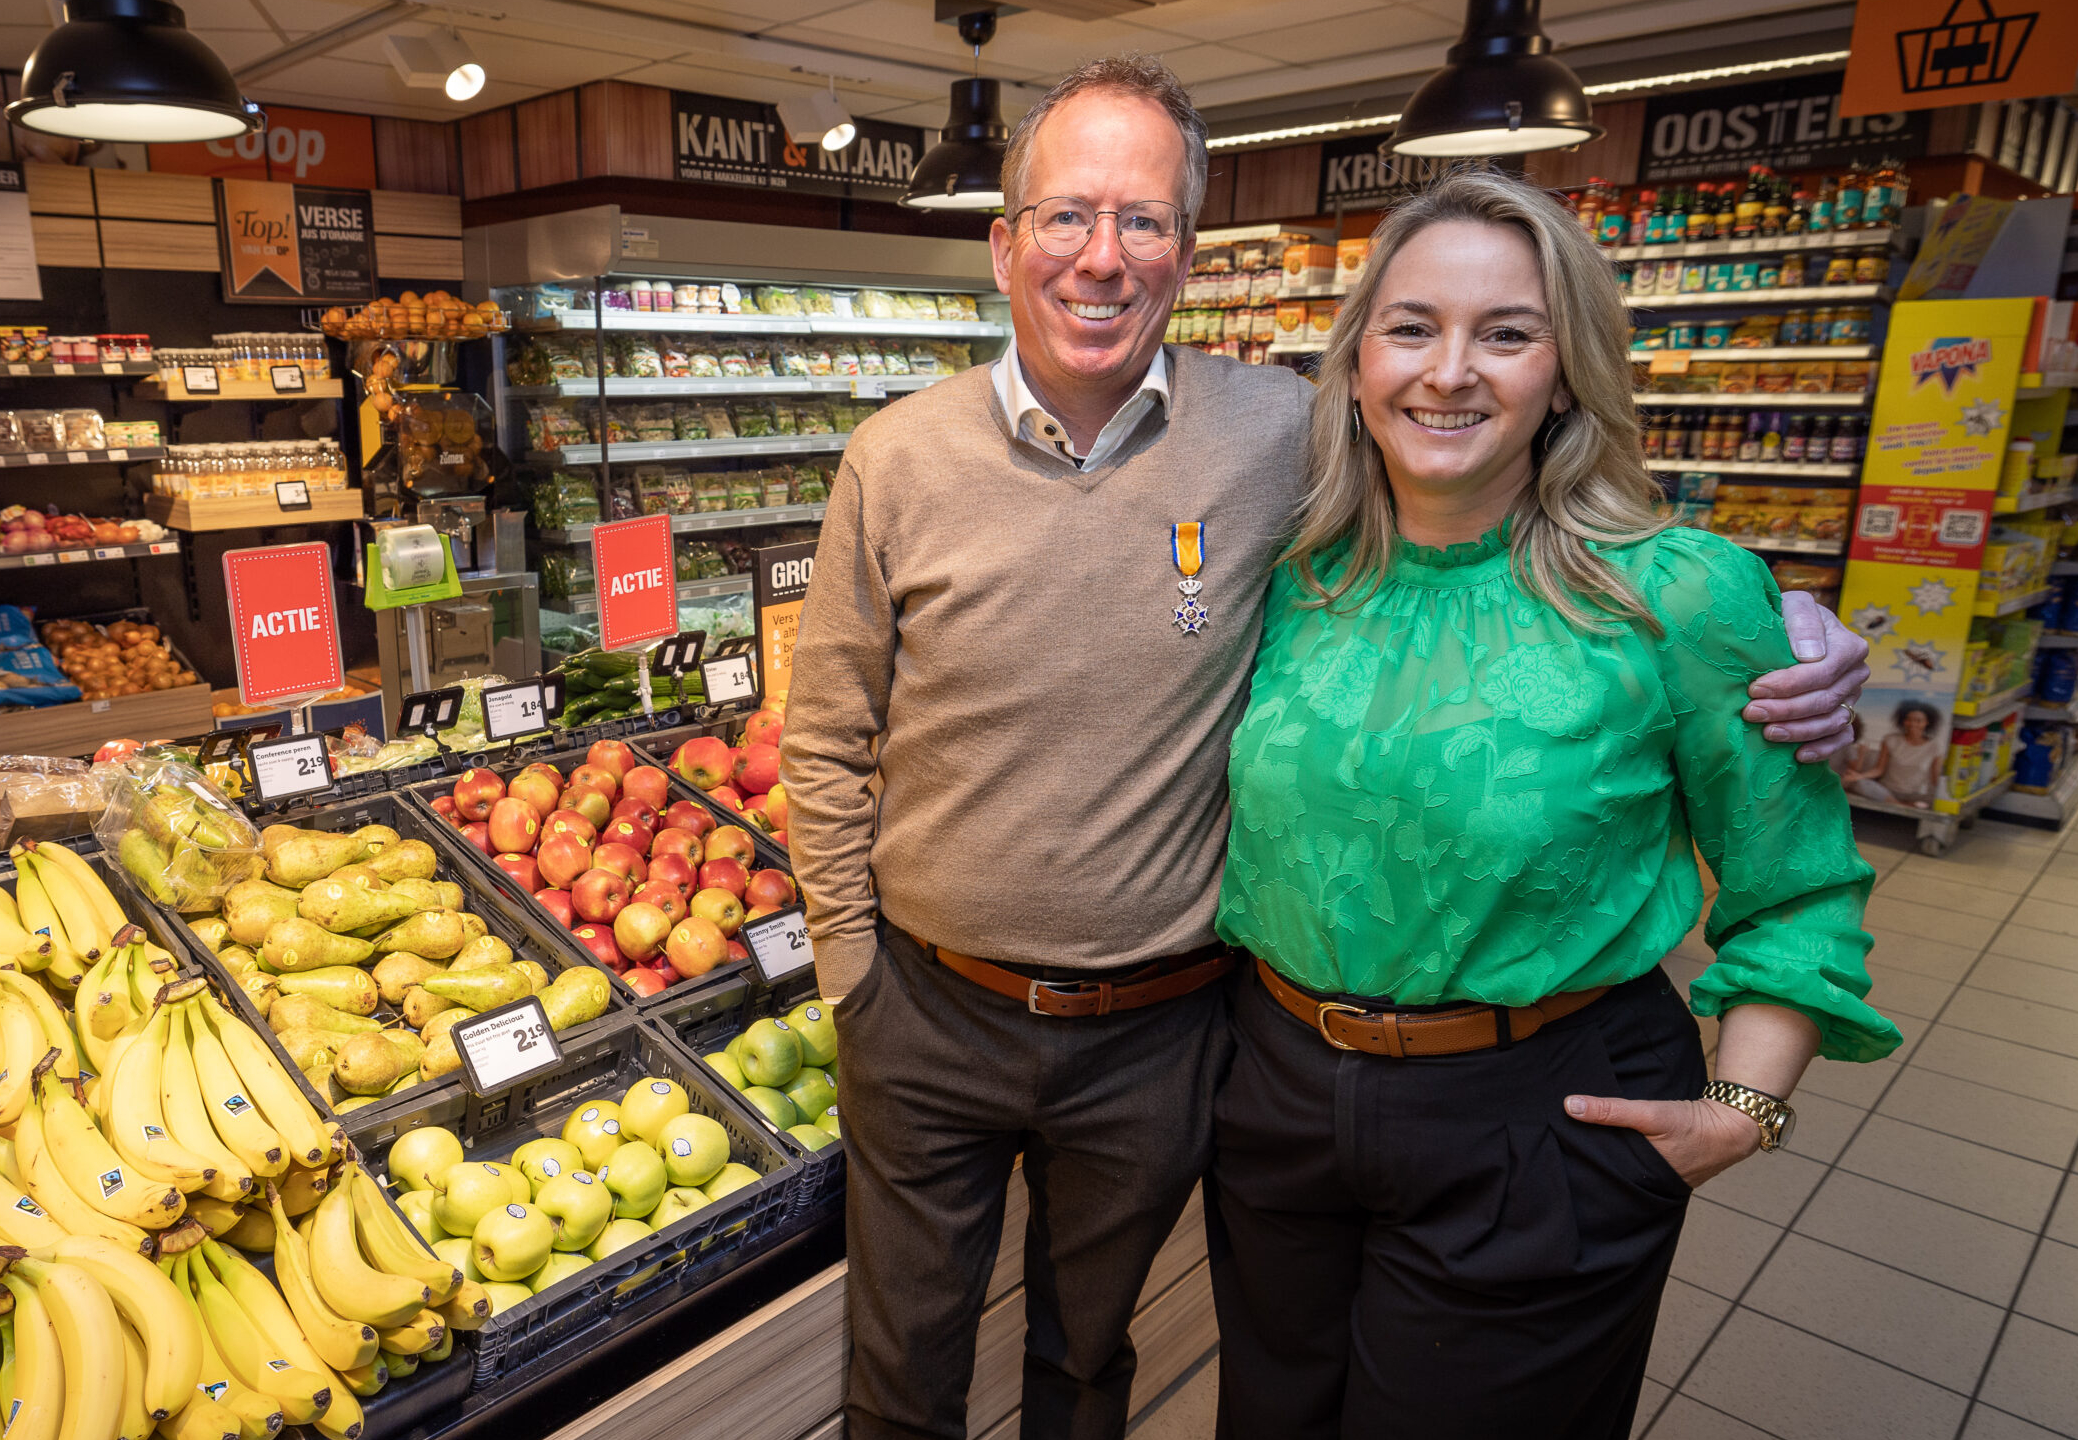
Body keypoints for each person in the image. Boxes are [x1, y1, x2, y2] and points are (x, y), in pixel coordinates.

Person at [780, 59, 1872, 1440]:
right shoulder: (947, 468)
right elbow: (826, 737)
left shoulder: (1292, 442)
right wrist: (852, 975)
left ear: (1189, 247)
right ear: (1004, 246)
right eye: (1065, 218)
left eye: (1145, 221)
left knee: (1095, 1358)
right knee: (1017, 1384)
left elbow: (1774, 838)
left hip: (1304, 1061)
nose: (1446, 372)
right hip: (1105, 1053)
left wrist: (1802, 631)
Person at [1206, 168, 1903, 1440]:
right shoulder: (1292, 574)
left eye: (1507, 333)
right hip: (1279, 1100)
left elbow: (1796, 888)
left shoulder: (1679, 595)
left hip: (1540, 1113)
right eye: (1411, 327)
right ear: (1358, 359)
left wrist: (1740, 1113)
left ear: (1568, 370)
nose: (1449, 371)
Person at [1875, 700, 1945, 807]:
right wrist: (1858, 776)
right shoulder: (1891, 740)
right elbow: (1879, 770)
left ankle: (1901, 804)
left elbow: (1935, 778)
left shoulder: (1935, 746)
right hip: (1888, 791)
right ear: (1903, 721)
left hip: (1917, 794)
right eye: (1909, 720)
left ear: (1927, 722)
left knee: (1934, 800)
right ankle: (1902, 805)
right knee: (1860, 784)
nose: (1912, 724)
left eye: (1918, 720)